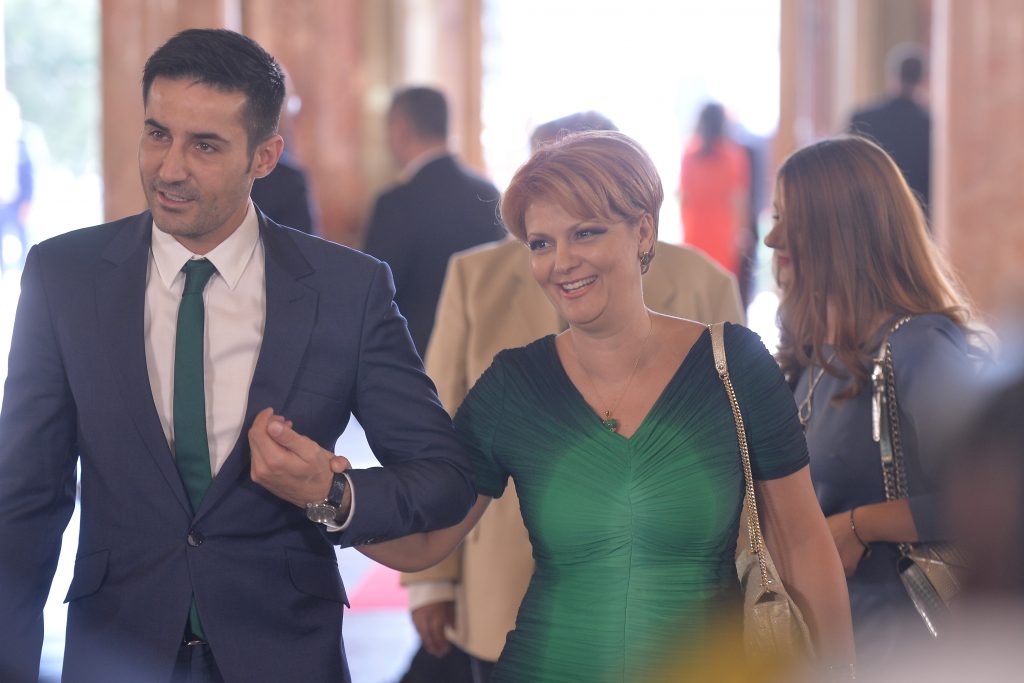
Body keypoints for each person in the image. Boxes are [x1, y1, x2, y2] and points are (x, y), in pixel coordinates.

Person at [258, 130, 856, 682]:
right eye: (541, 243)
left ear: (643, 232)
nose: (561, 262)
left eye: (586, 233)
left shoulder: (735, 366)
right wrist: (327, 493)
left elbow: (804, 546)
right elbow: (426, 540)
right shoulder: (514, 384)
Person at [0, 29, 475, 683]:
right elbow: (24, 499)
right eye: (158, 133)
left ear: (265, 155)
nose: (169, 168)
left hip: (285, 653)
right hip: (115, 650)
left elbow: (445, 477)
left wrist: (331, 493)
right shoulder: (64, 276)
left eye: (205, 145)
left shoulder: (347, 289)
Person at [401, 111, 745, 683]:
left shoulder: (703, 282)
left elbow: (740, 452)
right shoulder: (475, 277)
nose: (563, 249)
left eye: (583, 216)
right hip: (505, 577)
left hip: (671, 593)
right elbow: (436, 434)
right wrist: (430, 581)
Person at [764, 135, 985, 664]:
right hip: (834, 643)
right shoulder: (813, 353)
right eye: (775, 216)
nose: (772, 238)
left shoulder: (917, 346)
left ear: (846, 229)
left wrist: (860, 524)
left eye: (794, 220)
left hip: (905, 647)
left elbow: (990, 498)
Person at [362, 86, 505, 356]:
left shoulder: (396, 202)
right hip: (485, 349)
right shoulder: (487, 193)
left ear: (400, 129)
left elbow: (374, 293)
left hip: (415, 354)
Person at [848, 44, 931, 213]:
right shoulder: (931, 126)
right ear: (924, 79)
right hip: (915, 216)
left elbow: (846, 172)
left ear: (892, 75)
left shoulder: (863, 119)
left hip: (867, 214)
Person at [679, 101, 751, 277]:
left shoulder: (689, 154)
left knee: (694, 283)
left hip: (694, 233)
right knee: (721, 285)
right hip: (723, 236)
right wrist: (742, 233)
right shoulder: (733, 155)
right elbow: (738, 200)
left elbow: (683, 198)